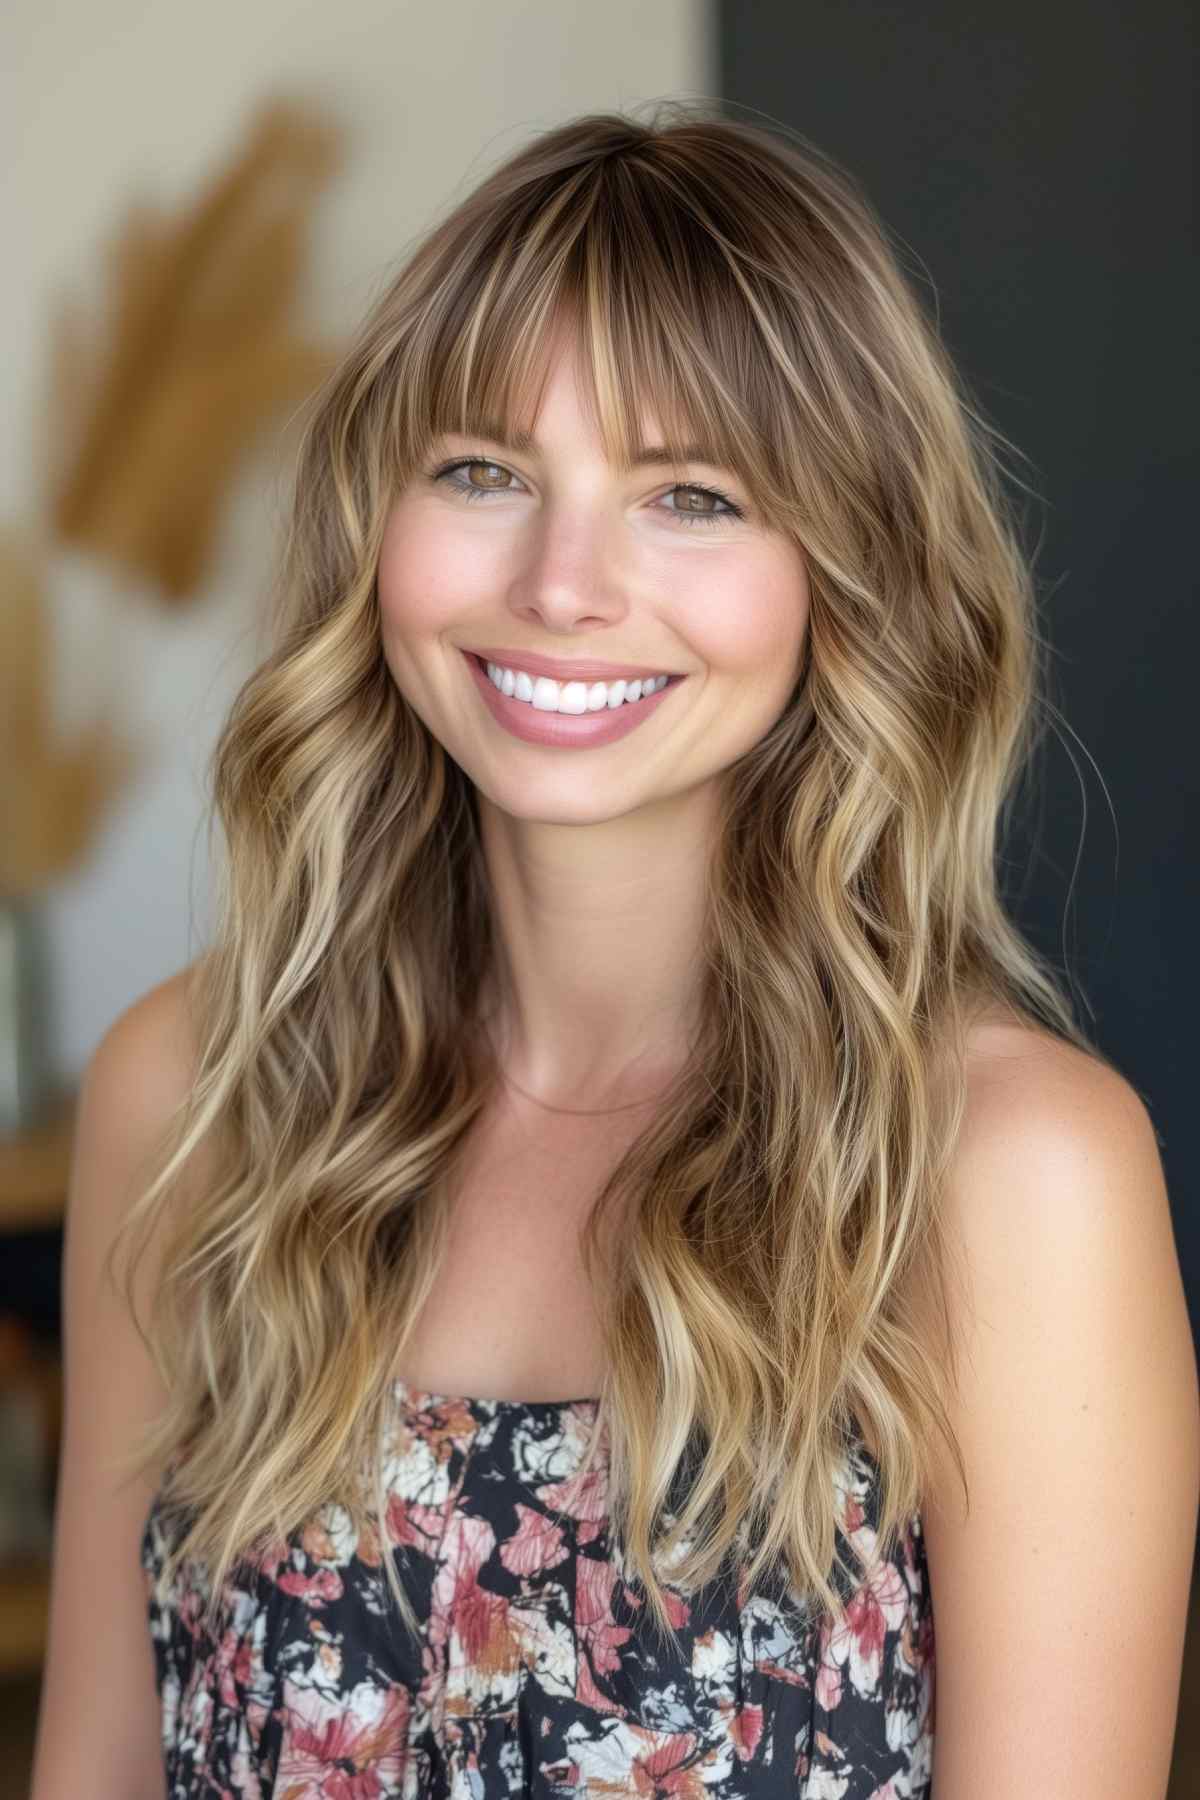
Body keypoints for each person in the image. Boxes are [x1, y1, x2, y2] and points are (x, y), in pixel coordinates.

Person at [31, 103, 1198, 1800]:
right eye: (485, 472)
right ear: (379, 524)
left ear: (840, 570)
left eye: (692, 496)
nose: (564, 583)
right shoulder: (195, 1096)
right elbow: (97, 1768)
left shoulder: (1012, 1173)